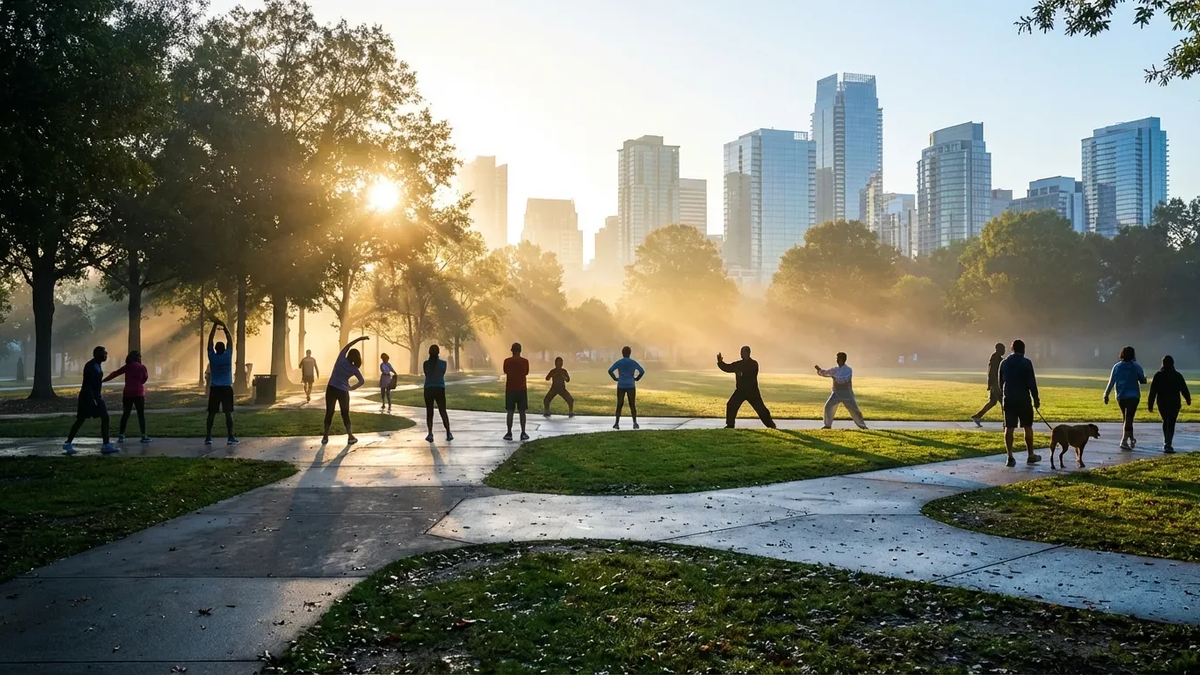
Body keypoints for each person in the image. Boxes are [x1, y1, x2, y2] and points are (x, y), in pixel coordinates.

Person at [63, 346, 115, 455]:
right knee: (80, 420)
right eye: (103, 353)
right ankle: (68, 443)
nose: (105, 355)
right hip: (88, 398)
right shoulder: (90, 366)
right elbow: (88, 385)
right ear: (96, 354)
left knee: (105, 417)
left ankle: (106, 444)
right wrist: (92, 399)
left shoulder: (97, 365)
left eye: (106, 353)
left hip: (96, 397)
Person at [998, 339, 1041, 467]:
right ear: (1023, 349)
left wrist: (1004, 396)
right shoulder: (1027, 363)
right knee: (1027, 426)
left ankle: (1010, 456)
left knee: (1009, 428)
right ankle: (1030, 455)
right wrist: (1036, 399)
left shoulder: (1004, 363)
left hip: (1009, 398)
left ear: (1012, 349)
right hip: (1023, 398)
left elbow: (1001, 382)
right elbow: (1032, 383)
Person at [322, 336, 368, 445]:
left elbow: (348, 345)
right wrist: (351, 388)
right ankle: (350, 436)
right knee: (345, 413)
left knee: (329, 412)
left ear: (348, 354)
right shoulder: (354, 369)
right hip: (343, 391)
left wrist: (360, 339)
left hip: (331, 388)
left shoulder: (341, 358)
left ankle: (325, 437)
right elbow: (362, 381)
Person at [718, 346, 776, 429]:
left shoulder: (754, 364)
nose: (741, 354)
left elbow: (749, 372)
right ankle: (730, 425)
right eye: (741, 352)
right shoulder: (739, 364)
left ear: (748, 353)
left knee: (760, 408)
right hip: (740, 391)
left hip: (752, 391)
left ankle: (770, 425)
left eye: (743, 352)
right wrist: (720, 362)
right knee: (731, 405)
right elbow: (727, 367)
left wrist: (742, 373)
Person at [1104, 345, 1147, 451]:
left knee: (1126, 418)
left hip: (1121, 396)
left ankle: (1131, 438)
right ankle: (1124, 441)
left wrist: (1106, 394)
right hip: (1133, 396)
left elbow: (1111, 382)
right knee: (1129, 418)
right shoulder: (1136, 366)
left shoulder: (1117, 366)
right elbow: (1142, 380)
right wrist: (1144, 378)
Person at [103, 351, 151, 444]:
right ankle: (143, 435)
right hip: (139, 393)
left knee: (125, 414)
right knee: (141, 415)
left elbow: (115, 373)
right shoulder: (142, 367)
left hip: (128, 393)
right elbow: (145, 378)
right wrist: (139, 383)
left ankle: (121, 435)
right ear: (137, 358)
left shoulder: (127, 366)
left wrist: (104, 380)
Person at [1148, 355, 1190, 454]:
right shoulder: (1177, 375)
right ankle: (1168, 443)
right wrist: (1188, 399)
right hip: (1175, 402)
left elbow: (1153, 391)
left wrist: (1150, 403)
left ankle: (1166, 442)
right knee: (1171, 422)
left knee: (1165, 421)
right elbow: (1184, 389)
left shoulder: (1158, 375)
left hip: (1162, 403)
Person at [205, 320, 238, 446]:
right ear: (224, 349)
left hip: (215, 388)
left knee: (211, 413)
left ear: (215, 349)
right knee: (228, 413)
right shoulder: (228, 356)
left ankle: (208, 437)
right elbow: (230, 340)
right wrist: (224, 326)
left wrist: (214, 326)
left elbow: (209, 341)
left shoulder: (212, 357)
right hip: (226, 388)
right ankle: (230, 437)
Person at [815, 352, 867, 430]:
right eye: (837, 359)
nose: (837, 360)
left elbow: (843, 379)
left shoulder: (848, 370)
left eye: (838, 359)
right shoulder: (835, 369)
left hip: (847, 395)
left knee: (855, 410)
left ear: (843, 360)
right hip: (836, 394)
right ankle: (827, 425)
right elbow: (826, 373)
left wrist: (833, 376)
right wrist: (819, 370)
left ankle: (862, 426)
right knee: (828, 407)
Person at [608, 346, 645, 430]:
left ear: (622, 353)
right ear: (630, 353)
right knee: (632, 404)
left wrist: (615, 378)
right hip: (631, 385)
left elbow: (610, 370)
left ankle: (616, 423)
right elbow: (642, 371)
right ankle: (635, 423)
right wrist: (637, 378)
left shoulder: (619, 362)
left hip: (621, 384)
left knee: (619, 404)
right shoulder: (633, 362)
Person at [971, 343, 1006, 427]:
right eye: (1003, 349)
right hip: (996, 385)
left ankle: (978, 416)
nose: (1004, 351)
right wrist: (993, 385)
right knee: (1003, 403)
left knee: (992, 402)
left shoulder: (995, 358)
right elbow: (993, 372)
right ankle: (1006, 422)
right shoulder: (996, 359)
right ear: (999, 349)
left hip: (994, 384)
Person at [423, 344, 452, 442]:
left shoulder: (426, 364)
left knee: (429, 412)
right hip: (439, 388)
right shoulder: (443, 364)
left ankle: (430, 433)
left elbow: (426, 374)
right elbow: (442, 373)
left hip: (429, 388)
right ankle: (448, 432)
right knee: (442, 411)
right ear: (438, 352)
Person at [503, 342, 530, 441]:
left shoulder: (507, 361)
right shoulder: (525, 361)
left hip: (510, 389)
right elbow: (526, 372)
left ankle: (509, 433)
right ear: (520, 350)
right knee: (522, 412)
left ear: (512, 350)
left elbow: (505, 371)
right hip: (522, 389)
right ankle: (523, 432)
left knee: (510, 411)